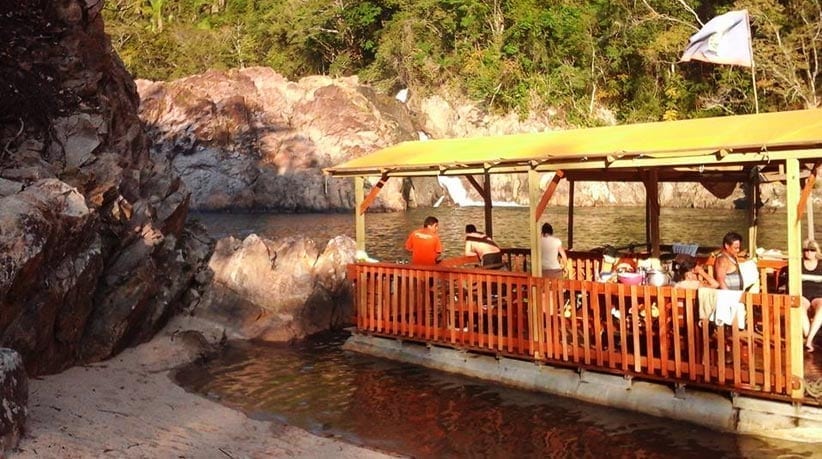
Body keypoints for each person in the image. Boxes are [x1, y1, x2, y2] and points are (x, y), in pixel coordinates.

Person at [801, 240, 822, 352]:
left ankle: (808, 340)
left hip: (819, 295)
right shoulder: (798, 264)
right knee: (799, 306)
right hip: (803, 295)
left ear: (816, 251)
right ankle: (811, 336)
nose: (808, 252)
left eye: (811, 250)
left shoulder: (821, 264)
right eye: (806, 250)